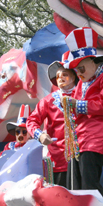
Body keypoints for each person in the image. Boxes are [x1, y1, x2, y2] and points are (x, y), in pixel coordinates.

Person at [61, 27, 103, 198]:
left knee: (90, 185)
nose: (79, 74)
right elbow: (74, 106)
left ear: (93, 61)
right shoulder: (81, 83)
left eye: (81, 68)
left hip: (96, 139)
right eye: (76, 70)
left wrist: (77, 105)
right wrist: (68, 105)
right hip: (80, 140)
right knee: (77, 186)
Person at [26, 52, 79, 187]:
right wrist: (40, 135)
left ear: (74, 77)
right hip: (58, 159)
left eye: (65, 74)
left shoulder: (83, 96)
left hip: (83, 158)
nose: (60, 78)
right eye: (58, 76)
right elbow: (31, 121)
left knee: (85, 198)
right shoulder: (48, 101)